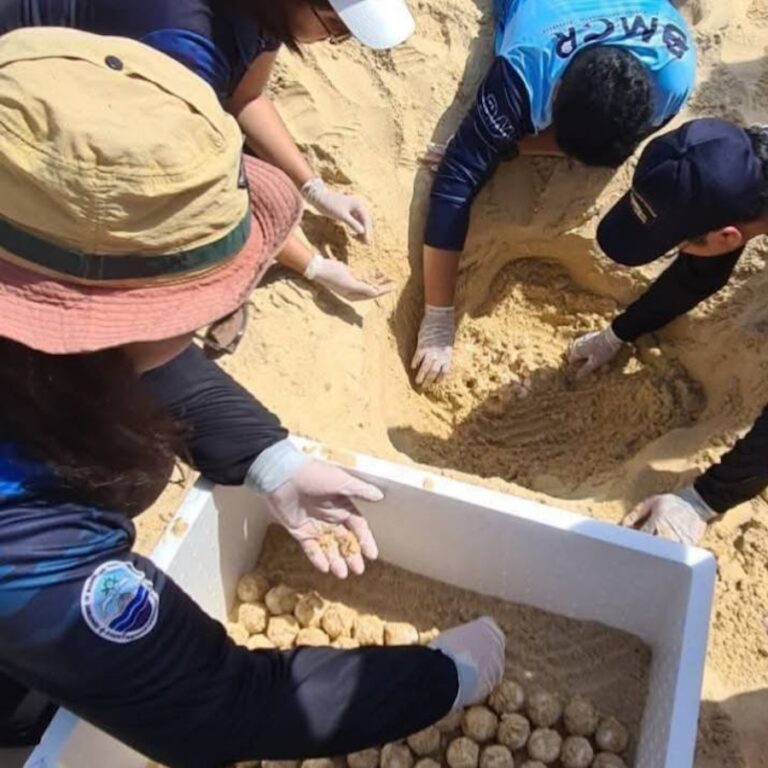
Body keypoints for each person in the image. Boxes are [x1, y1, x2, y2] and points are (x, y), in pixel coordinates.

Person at [0, 28, 506, 763]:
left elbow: (113, 356)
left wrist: (268, 459)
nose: (207, 313)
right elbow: (215, 706)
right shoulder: (22, 538)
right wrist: (441, 678)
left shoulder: (41, 328)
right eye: (191, 298)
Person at [0, 0, 416, 311]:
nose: (334, 42)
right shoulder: (187, 48)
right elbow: (194, 192)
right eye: (336, 29)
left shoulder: (266, 13)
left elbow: (247, 97)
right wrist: (312, 265)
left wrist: (315, 188)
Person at [412, 0, 697, 386]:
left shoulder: (673, 77)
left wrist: (511, 147)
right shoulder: (523, 70)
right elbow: (454, 183)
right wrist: (438, 317)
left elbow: (615, 146)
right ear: (557, 88)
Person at [566, 117, 768, 545]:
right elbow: (700, 273)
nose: (677, 251)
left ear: (728, 236)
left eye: (679, 244)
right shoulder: (734, 157)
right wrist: (618, 333)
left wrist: (704, 500)